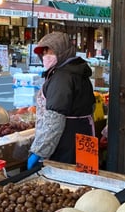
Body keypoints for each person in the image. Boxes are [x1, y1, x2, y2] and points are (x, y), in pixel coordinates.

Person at [27, 32, 96, 168]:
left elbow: (55, 119)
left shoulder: (62, 77)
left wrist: (39, 152)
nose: (46, 55)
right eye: (44, 52)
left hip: (67, 141)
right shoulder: (78, 70)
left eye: (50, 51)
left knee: (66, 184)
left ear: (61, 50)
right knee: (85, 178)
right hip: (85, 136)